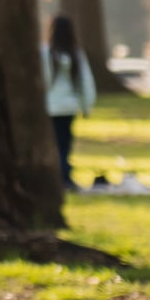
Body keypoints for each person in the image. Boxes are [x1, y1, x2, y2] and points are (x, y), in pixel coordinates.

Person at [43, 16, 95, 191]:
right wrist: (86, 106)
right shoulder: (75, 54)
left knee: (55, 142)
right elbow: (85, 82)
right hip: (68, 107)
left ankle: (61, 176)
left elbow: (43, 81)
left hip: (51, 107)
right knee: (64, 143)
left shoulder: (46, 53)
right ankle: (64, 175)